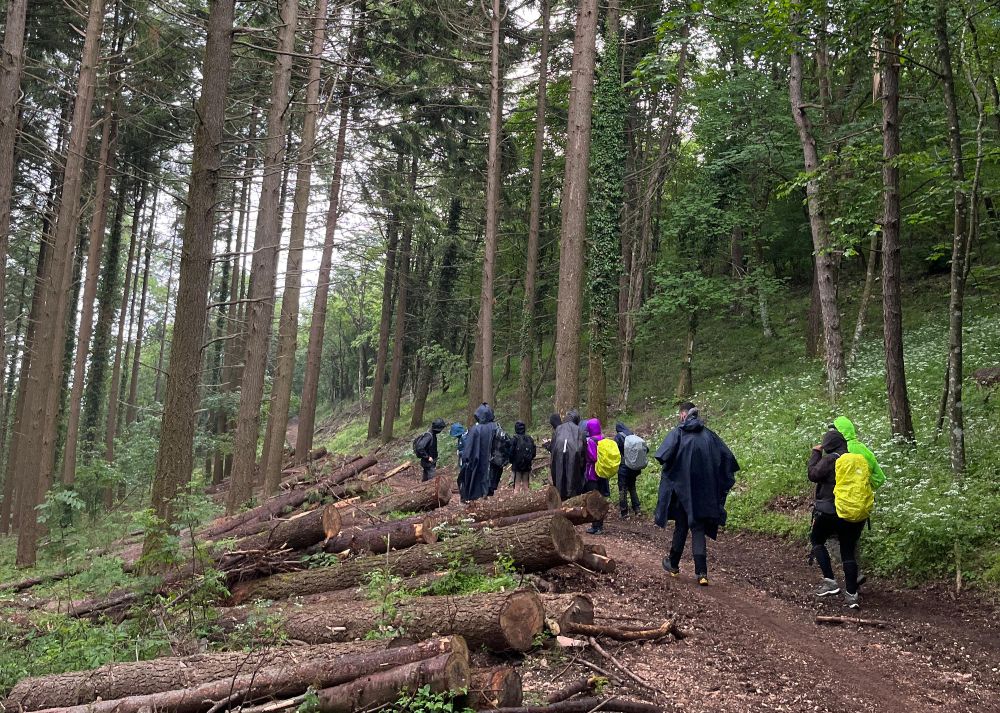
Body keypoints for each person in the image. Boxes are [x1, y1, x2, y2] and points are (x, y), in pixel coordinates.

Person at [655, 402, 739, 586]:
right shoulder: (709, 436)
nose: (680, 418)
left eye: (680, 414)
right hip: (703, 493)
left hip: (682, 492)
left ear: (684, 414)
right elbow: (728, 459)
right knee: (698, 528)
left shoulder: (678, 433)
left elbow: (662, 455)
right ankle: (702, 573)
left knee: (682, 527)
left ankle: (674, 564)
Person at [808, 428, 867, 609]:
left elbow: (813, 475)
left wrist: (816, 453)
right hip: (853, 512)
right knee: (848, 550)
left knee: (817, 539)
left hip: (829, 512)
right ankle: (851, 595)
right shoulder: (856, 459)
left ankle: (830, 582)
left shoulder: (830, 459)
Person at [832, 416, 887, 490]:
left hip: (844, 498)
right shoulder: (864, 449)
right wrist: (866, 487)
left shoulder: (840, 450)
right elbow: (880, 478)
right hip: (865, 498)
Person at [460, 403, 501, 502]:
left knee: (476, 482)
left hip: (477, 462)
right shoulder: (496, 427)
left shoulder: (475, 429)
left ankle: (478, 500)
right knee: (488, 480)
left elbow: (468, 449)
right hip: (492, 462)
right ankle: (485, 496)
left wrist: (465, 459)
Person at [583, 418, 614, 535]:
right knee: (601, 498)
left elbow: (592, 457)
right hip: (603, 472)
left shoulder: (591, 441)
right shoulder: (603, 438)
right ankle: (600, 525)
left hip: (593, 473)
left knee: (594, 499)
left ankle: (595, 526)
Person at [614, 421, 647, 518]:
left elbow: (615, 451)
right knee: (632, 487)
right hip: (634, 467)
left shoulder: (618, 437)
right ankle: (637, 509)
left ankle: (624, 512)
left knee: (622, 488)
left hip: (624, 467)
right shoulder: (632, 435)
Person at [550, 410, 584, 500]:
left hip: (559, 460)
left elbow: (553, 447)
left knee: (561, 481)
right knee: (572, 483)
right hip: (573, 461)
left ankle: (562, 499)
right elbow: (583, 449)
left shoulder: (559, 429)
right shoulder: (578, 430)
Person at [509, 421, 537, 493]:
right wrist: (529, 459)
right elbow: (534, 452)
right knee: (526, 485)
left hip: (517, 465)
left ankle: (516, 501)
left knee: (516, 485)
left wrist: (512, 461)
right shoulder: (529, 438)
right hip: (527, 464)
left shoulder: (514, 439)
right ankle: (527, 501)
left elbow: (510, 452)